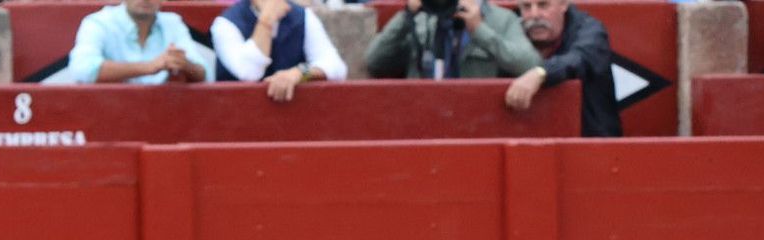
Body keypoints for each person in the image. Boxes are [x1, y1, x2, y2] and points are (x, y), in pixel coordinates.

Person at [504, 0, 621, 137]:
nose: (534, 15)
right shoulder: (507, 29)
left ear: (564, 4)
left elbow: (579, 58)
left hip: (591, 143)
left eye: (543, 5)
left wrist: (541, 73)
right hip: (521, 142)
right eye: (526, 7)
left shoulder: (589, 30)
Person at [365, 0, 539, 81]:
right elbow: (375, 62)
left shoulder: (501, 19)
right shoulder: (419, 18)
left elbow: (529, 64)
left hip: (475, 117)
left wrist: (479, 30)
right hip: (421, 116)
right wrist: (406, 16)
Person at [211, 0, 347, 102]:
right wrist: (266, 20)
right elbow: (250, 72)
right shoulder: (224, 24)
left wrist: (299, 72)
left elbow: (336, 66)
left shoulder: (303, 16)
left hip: (293, 118)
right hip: (236, 118)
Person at [67, 0, 213, 86]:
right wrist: (149, 66)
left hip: (164, 115)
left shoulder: (172, 22)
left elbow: (206, 74)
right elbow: (82, 70)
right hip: (107, 115)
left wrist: (185, 65)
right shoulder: (98, 22)